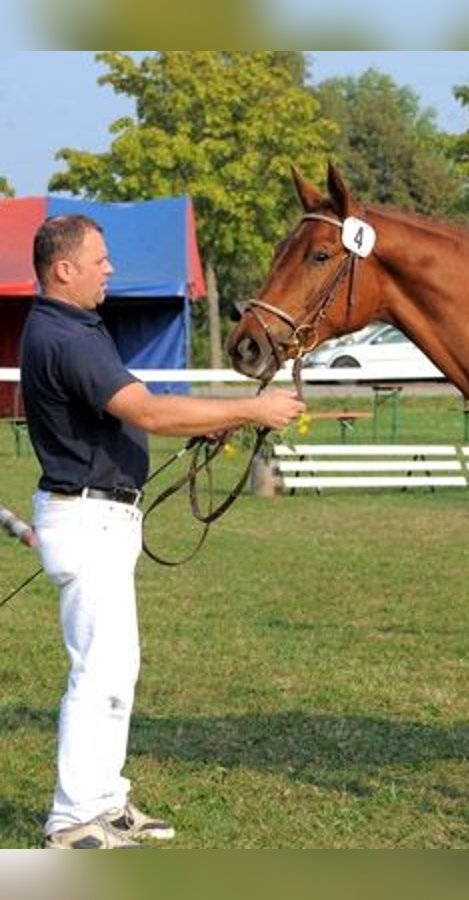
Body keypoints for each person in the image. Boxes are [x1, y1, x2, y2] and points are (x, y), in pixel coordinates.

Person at [19, 214, 305, 849]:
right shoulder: (65, 336)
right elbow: (145, 409)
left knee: (116, 669)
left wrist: (207, 421)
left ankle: (105, 801)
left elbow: (136, 404)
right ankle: (71, 819)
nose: (110, 269)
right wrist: (252, 408)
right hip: (87, 518)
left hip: (100, 516)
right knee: (98, 672)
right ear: (64, 269)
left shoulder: (73, 328)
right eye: (100, 259)